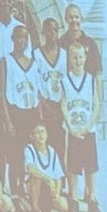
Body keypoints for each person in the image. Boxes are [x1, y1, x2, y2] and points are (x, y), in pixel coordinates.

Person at [0, 21, 42, 202]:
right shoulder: (5, 61)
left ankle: (24, 190)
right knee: (14, 155)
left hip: (30, 113)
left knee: (27, 154)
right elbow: (2, 92)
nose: (22, 40)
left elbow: (37, 92)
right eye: (19, 37)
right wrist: (7, 120)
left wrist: (39, 118)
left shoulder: (33, 62)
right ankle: (15, 192)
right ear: (13, 38)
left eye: (25, 37)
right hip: (15, 113)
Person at [61, 38, 105, 212]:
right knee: (73, 167)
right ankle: (73, 199)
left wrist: (89, 125)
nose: (78, 60)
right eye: (74, 57)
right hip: (73, 130)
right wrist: (70, 127)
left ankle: (92, 199)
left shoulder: (90, 79)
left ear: (85, 58)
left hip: (88, 129)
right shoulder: (65, 80)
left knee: (90, 167)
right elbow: (63, 105)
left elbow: (97, 104)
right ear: (70, 60)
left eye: (80, 57)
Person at [34, 15, 69, 155]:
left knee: (61, 146)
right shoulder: (36, 54)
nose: (52, 33)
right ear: (43, 32)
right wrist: (44, 104)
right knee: (44, 146)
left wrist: (63, 104)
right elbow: (35, 83)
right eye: (49, 30)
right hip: (44, 106)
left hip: (61, 105)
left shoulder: (65, 54)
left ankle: (61, 170)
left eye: (55, 30)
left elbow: (68, 82)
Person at [23, 117, 67, 212]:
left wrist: (56, 194)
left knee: (64, 206)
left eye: (42, 132)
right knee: (36, 177)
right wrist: (48, 179)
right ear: (32, 136)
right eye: (37, 133)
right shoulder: (29, 149)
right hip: (33, 187)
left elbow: (58, 176)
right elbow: (31, 169)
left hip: (48, 188)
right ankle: (35, 210)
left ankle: (46, 206)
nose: (40, 135)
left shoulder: (52, 151)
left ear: (47, 134)